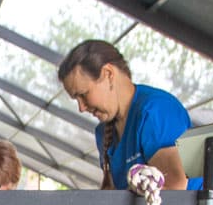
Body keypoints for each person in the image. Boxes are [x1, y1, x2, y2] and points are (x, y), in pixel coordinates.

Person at [58, 39, 201, 191]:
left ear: (108, 74)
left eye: (83, 94)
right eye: (76, 99)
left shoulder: (154, 111)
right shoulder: (103, 132)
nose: (81, 107)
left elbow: (173, 189)